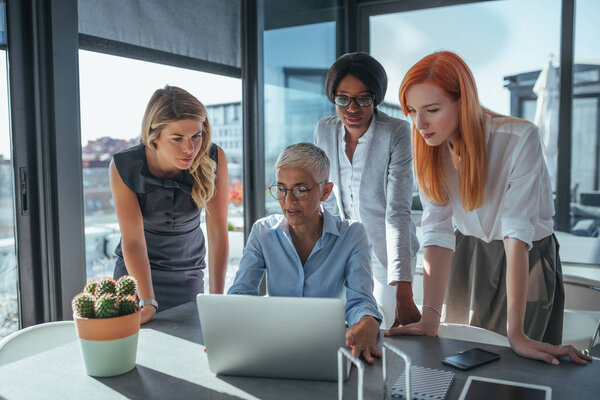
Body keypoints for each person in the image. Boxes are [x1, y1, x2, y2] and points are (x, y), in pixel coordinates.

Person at [388, 51, 591, 366]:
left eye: (431, 109)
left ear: (462, 102)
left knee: (515, 365)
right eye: (412, 111)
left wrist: (517, 334)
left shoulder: (520, 138)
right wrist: (430, 317)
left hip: (526, 256)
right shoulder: (429, 146)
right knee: (456, 356)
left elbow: (516, 235)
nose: (420, 123)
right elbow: (438, 231)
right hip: (467, 251)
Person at [228, 143, 382, 363]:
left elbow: (359, 300)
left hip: (328, 347)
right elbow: (241, 295)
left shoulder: (352, 234)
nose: (288, 201)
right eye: (281, 189)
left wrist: (368, 321)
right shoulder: (262, 232)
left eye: (301, 190)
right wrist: (226, 330)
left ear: (325, 191)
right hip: (274, 345)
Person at [314, 52, 420, 330]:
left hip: (388, 257)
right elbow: (325, 202)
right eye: (342, 98)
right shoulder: (324, 131)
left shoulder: (395, 132)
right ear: (333, 97)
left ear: (376, 97)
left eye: (363, 98)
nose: (352, 108)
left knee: (386, 331)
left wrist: (404, 291)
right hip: (347, 251)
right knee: (343, 330)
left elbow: (397, 213)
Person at [110, 85, 229, 324]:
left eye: (197, 136)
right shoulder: (125, 166)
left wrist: (217, 301)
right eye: (177, 138)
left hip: (188, 274)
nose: (190, 148)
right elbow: (132, 240)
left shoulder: (213, 157)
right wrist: (146, 301)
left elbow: (217, 232)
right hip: (136, 276)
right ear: (154, 136)